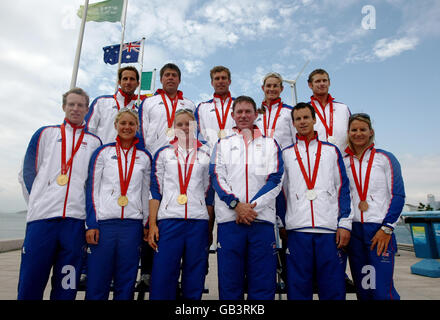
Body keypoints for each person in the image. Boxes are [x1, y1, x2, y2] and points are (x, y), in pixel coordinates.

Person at [17, 88, 102, 300]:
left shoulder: (94, 143)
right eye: (71, 104)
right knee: (31, 282)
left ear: (86, 109)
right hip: (42, 221)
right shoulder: (45, 133)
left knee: (67, 286)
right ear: (63, 106)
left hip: (74, 223)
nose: (75, 109)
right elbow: (27, 172)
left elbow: (93, 186)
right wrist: (38, 203)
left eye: (80, 105)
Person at [210, 96, 284, 300]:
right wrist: (236, 205)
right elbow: (217, 177)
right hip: (229, 220)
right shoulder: (223, 143)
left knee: (262, 284)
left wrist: (251, 208)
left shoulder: (270, 143)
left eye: (247, 111)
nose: (243, 115)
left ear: (256, 114)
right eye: (239, 112)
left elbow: (275, 179)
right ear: (233, 115)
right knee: (230, 284)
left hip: (261, 221)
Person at [282, 102, 352, 300]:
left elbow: (343, 188)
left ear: (314, 119)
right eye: (298, 119)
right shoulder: (286, 154)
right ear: (293, 123)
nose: (302, 122)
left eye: (306, 117)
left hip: (328, 230)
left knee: (332, 288)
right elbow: (281, 192)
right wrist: (282, 222)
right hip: (298, 230)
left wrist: (344, 223)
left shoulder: (331, 151)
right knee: (298, 288)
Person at [85, 108, 152, 300]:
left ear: (137, 127)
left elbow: (146, 193)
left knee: (126, 280)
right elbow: (92, 190)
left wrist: (146, 224)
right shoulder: (103, 153)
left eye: (131, 124)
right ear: (116, 125)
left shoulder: (145, 157)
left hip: (132, 226)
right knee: (98, 279)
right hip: (105, 225)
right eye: (123, 123)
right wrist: (92, 223)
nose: (127, 127)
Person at [148, 109, 214, 300]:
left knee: (195, 275)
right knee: (163, 275)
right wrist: (153, 224)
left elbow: (208, 193)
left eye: (188, 124)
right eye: (180, 124)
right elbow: (155, 190)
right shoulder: (163, 153)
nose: (184, 127)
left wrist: (209, 226)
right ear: (173, 128)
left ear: (195, 126)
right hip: (169, 221)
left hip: (198, 221)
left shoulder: (206, 154)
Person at [344, 113, 405, 300]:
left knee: (382, 290)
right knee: (364, 289)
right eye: (354, 130)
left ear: (371, 132)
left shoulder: (385, 158)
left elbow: (398, 195)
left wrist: (387, 228)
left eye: (363, 129)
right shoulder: (343, 162)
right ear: (348, 133)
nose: (358, 133)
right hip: (354, 231)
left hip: (378, 230)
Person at [140, 63, 196, 155]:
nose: (170, 78)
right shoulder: (148, 102)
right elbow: (141, 131)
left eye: (174, 75)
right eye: (167, 75)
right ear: (161, 79)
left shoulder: (189, 105)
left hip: (181, 156)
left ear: (179, 80)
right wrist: (143, 155)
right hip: (153, 154)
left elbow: (193, 133)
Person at [85, 66, 142, 144]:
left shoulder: (139, 111)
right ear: (119, 82)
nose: (128, 82)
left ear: (137, 83)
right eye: (125, 79)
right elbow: (88, 131)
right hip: (101, 154)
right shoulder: (101, 102)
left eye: (132, 79)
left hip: (127, 155)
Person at [307, 68, 351, 151]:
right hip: (315, 159)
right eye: (317, 81)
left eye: (324, 80)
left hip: (342, 159)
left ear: (329, 83)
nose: (322, 84)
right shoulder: (304, 110)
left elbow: (353, 133)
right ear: (310, 85)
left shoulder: (343, 108)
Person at [195, 66, 235, 150]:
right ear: (212, 83)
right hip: (210, 156)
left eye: (223, 78)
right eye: (217, 79)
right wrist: (207, 150)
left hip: (235, 155)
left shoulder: (239, 104)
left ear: (229, 81)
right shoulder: (202, 107)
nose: (220, 81)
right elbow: (195, 132)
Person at [256, 72, 295, 150]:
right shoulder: (256, 115)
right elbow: (255, 140)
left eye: (275, 86)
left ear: (281, 89)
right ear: (263, 88)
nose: (272, 89)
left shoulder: (290, 112)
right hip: (262, 159)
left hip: (284, 160)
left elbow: (296, 139)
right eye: (268, 86)